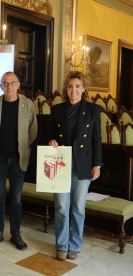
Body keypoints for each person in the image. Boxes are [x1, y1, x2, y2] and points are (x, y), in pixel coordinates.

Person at [48, 71, 102, 261]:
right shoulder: (57, 110)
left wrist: (97, 164)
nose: (74, 90)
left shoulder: (94, 110)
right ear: (66, 89)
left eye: (78, 86)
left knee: (78, 207)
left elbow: (97, 140)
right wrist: (52, 141)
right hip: (61, 164)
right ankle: (62, 245)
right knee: (62, 206)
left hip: (84, 164)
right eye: (70, 86)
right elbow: (52, 135)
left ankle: (75, 245)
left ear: (84, 89)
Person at [0, 71, 38, 250]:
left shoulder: (28, 105)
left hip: (18, 159)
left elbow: (33, 131)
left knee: (16, 199)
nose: (9, 87)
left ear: (18, 85)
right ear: (1, 86)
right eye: (5, 83)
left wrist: (23, 146)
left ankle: (16, 234)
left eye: (12, 83)